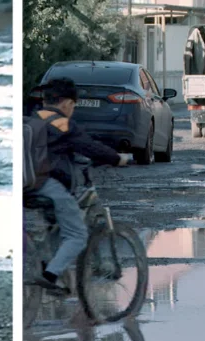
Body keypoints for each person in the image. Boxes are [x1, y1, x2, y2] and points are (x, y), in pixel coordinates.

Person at [27, 77, 132, 293]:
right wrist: (117, 158)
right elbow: (88, 146)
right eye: (73, 105)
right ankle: (51, 275)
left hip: (26, 185)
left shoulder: (32, 119)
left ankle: (48, 261)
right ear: (66, 103)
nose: (73, 110)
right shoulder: (62, 123)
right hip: (48, 184)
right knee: (77, 235)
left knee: (58, 222)